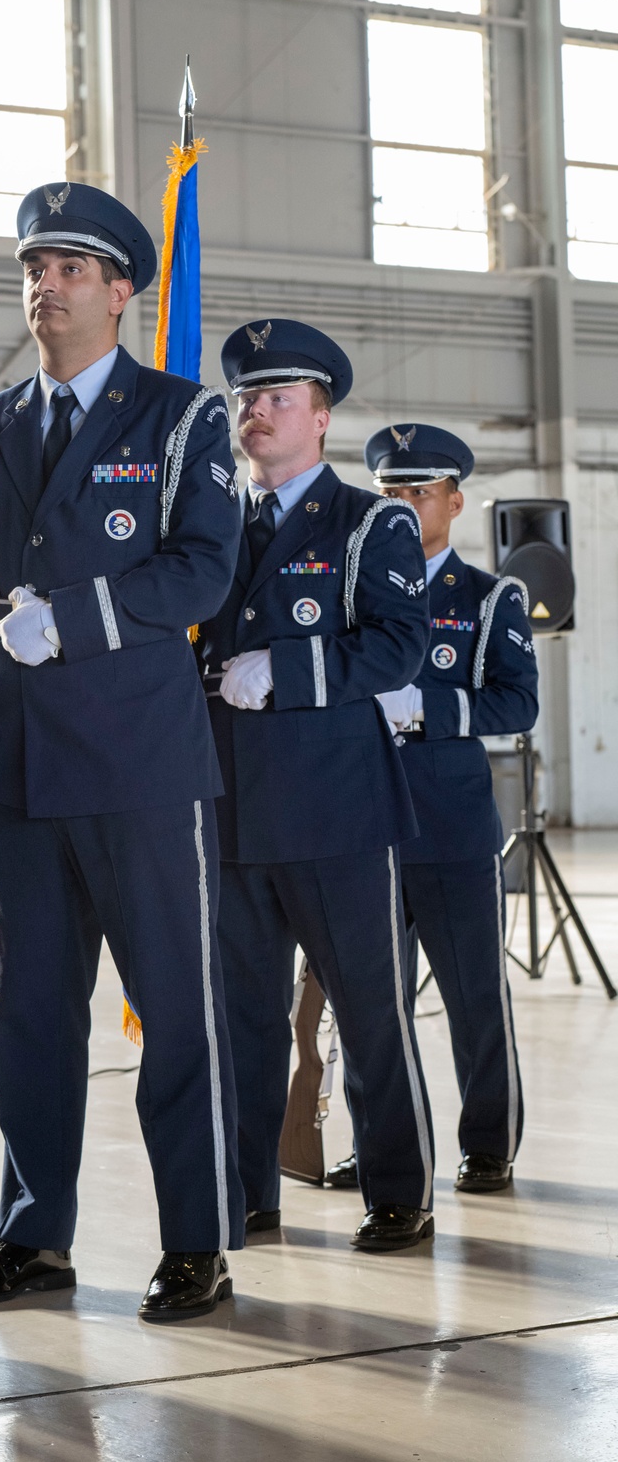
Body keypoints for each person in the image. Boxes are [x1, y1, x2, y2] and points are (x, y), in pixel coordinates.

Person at [0, 181, 246, 1320]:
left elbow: (201, 570)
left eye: (71, 269)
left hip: (139, 770)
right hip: (22, 768)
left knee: (176, 1012)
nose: (44, 286)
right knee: (35, 1016)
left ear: (122, 291)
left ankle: (197, 1239)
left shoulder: (181, 417)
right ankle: (35, 1235)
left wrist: (72, 618)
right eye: (34, 268)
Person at [199, 319, 438, 1253]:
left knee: (371, 1012)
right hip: (229, 811)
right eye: (246, 399)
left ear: (322, 415)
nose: (257, 413)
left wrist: (288, 673)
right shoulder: (213, 521)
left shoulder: (370, 521)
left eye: (278, 398)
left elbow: (397, 644)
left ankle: (398, 1191)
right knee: (242, 1022)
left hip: (337, 812)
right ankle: (250, 1192)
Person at [324, 425, 538, 1195]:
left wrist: (427, 710)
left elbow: (519, 702)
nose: (406, 507)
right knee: (368, 1008)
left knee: (475, 995)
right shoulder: (348, 596)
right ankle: (385, 1145)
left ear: (455, 499)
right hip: (360, 824)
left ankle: (487, 1143)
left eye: (420, 492)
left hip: (448, 831)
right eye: (390, 494)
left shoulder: (487, 599)